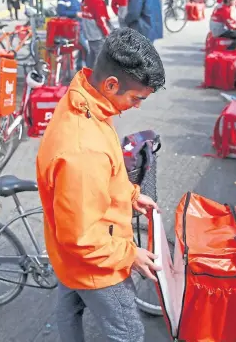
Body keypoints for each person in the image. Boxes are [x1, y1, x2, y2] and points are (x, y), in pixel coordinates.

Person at [36, 28, 166, 342]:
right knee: (129, 333)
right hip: (97, 263)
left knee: (69, 311)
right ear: (111, 84)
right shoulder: (85, 147)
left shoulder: (84, 100)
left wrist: (131, 193)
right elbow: (83, 238)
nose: (136, 106)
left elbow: (101, 180)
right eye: (136, 98)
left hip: (69, 256)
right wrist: (129, 254)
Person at [56, 0, 89, 71]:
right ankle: (84, 67)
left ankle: (79, 66)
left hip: (79, 26)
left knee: (82, 48)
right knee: (85, 48)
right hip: (70, 29)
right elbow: (61, 12)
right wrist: (75, 14)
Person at [81, 0, 111, 68]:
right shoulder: (96, 0)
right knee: (100, 58)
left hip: (90, 34)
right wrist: (107, 33)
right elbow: (100, 19)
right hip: (97, 34)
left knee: (92, 56)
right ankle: (96, 80)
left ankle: (89, 76)